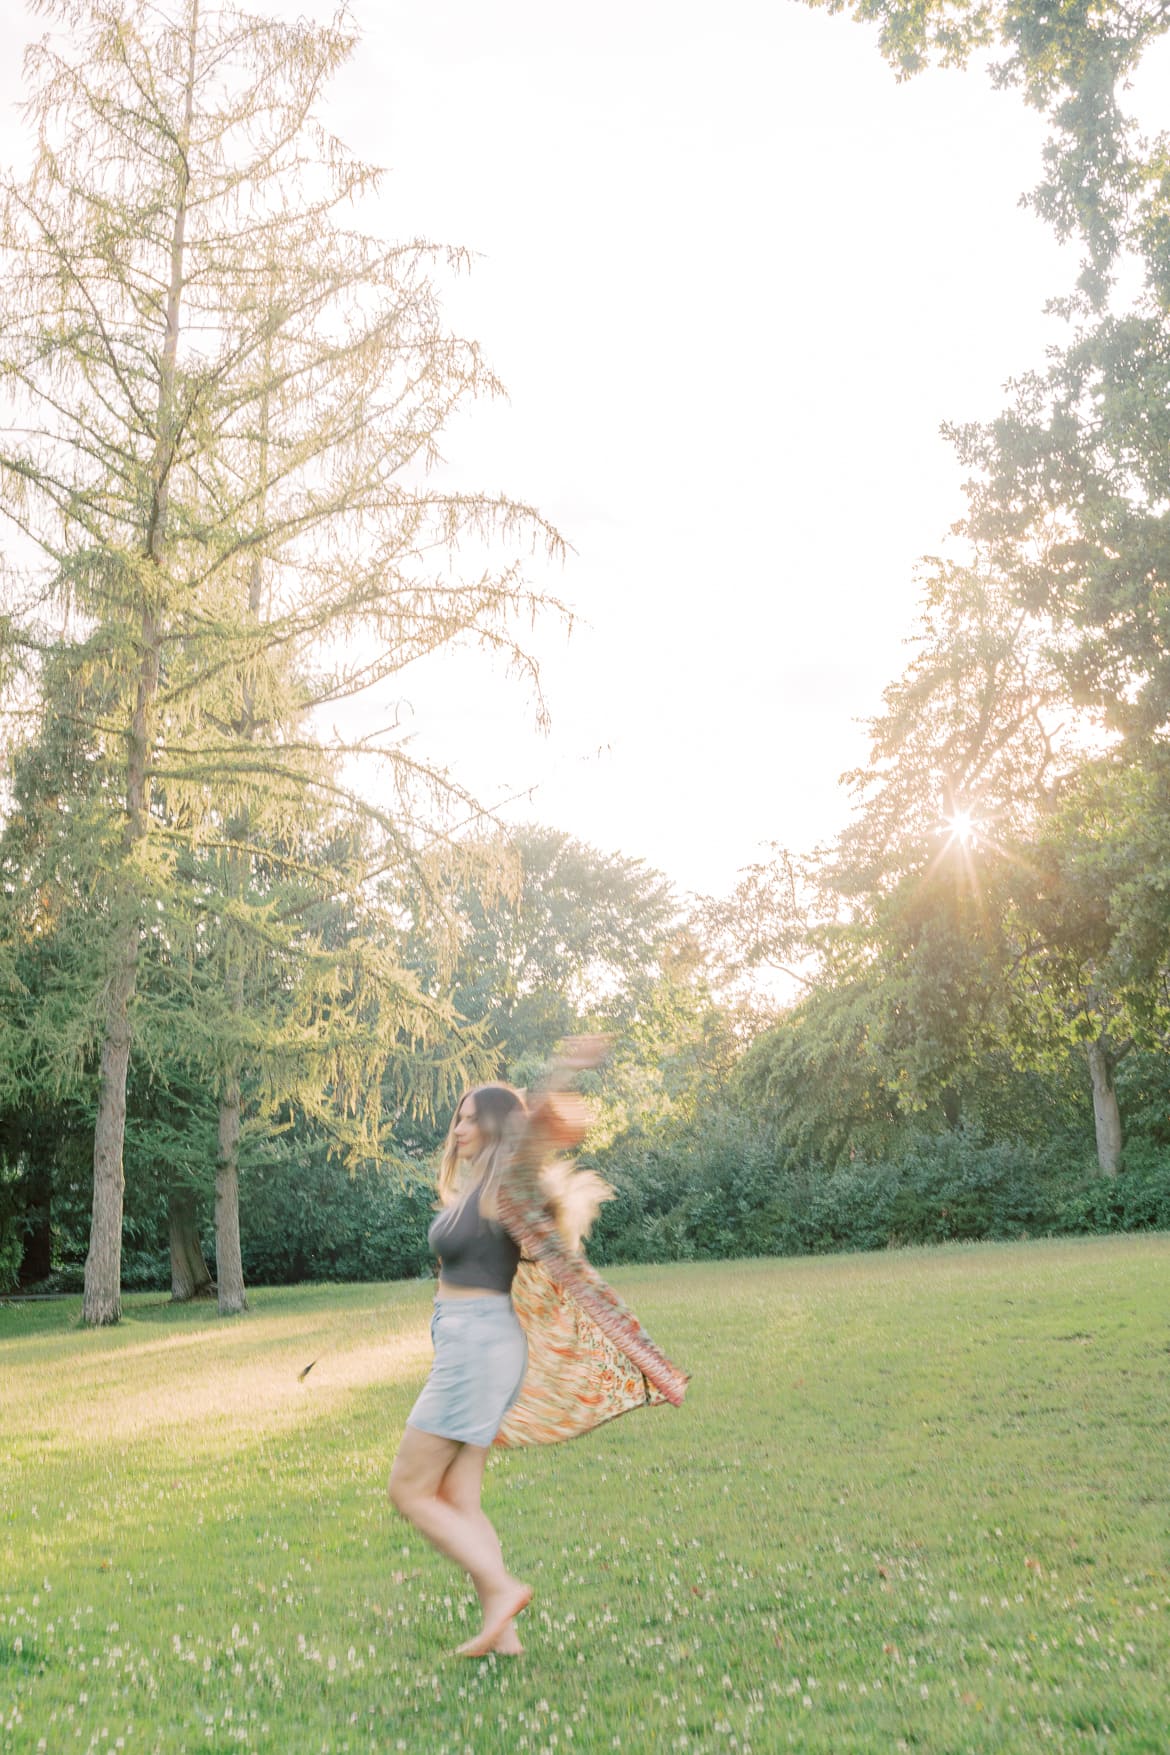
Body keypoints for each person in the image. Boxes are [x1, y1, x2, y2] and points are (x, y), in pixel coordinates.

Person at [387, 1040, 687, 1659]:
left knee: (410, 1491)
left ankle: (502, 1590)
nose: (460, 1126)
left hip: (478, 1347)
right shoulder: (475, 1191)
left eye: (474, 1117)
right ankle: (507, 1639)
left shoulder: (507, 1186)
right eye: (459, 1117)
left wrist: (565, 1069)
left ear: (499, 1126)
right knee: (459, 1498)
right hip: (468, 1345)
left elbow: (541, 1124)